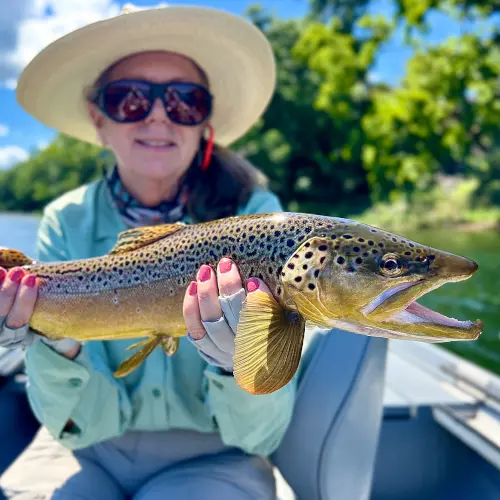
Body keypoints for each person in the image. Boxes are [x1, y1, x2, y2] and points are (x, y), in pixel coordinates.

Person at [0, 4, 296, 499]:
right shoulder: (65, 220)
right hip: (86, 449)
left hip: (219, 456)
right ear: (99, 119)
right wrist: (55, 343)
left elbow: (258, 436)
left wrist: (236, 364)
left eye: (184, 100)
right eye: (130, 99)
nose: (158, 114)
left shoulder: (261, 219)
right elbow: (77, 426)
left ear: (206, 121)